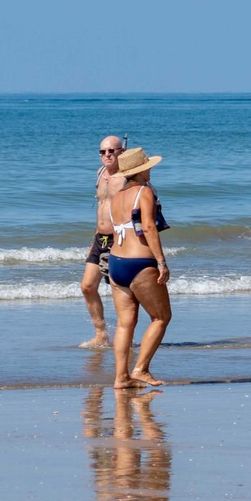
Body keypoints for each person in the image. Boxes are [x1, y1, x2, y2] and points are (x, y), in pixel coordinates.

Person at [105, 147, 172, 389]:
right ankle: (141, 369)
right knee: (161, 317)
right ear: (141, 170)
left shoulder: (116, 198)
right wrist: (161, 261)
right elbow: (149, 228)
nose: (151, 169)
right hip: (140, 263)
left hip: (116, 263)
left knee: (125, 324)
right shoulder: (143, 192)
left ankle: (121, 377)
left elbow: (114, 230)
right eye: (148, 166)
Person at [80, 135, 127, 348]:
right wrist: (94, 240)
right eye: (102, 152)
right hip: (100, 238)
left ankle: (125, 334)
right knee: (88, 287)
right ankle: (101, 334)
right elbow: (100, 210)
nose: (106, 155)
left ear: (121, 152)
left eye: (111, 151)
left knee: (119, 290)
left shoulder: (128, 177)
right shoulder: (100, 174)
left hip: (119, 239)